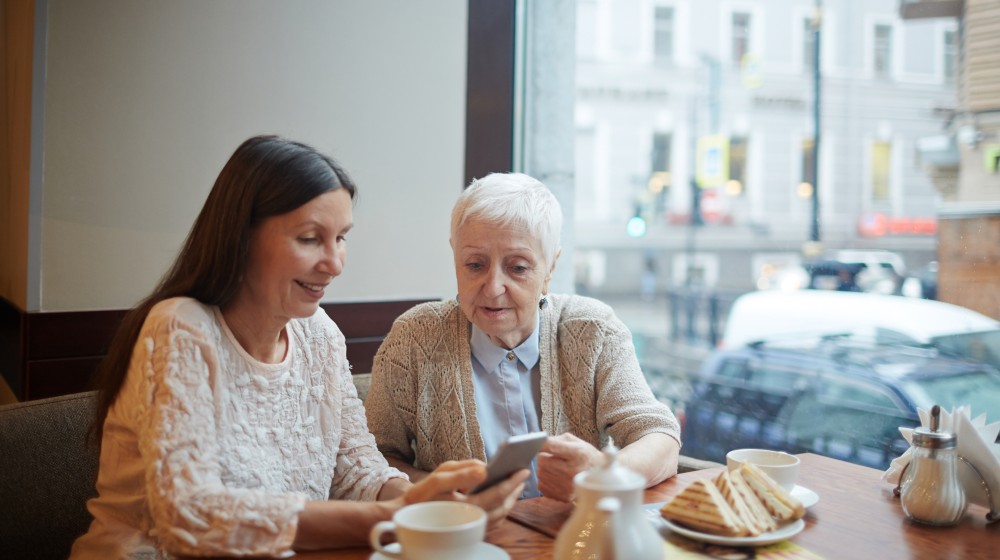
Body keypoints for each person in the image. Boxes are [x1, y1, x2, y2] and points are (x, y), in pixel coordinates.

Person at [70, 136, 526, 559]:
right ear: (241, 236)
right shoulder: (181, 328)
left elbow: (353, 468)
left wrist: (424, 501)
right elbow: (191, 515)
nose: (334, 263)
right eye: (310, 238)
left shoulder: (319, 333)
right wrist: (391, 518)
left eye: (341, 237)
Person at [365, 172, 681, 502]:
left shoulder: (594, 330)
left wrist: (603, 474)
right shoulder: (414, 338)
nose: (493, 287)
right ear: (455, 256)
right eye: (475, 264)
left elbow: (659, 437)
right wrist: (432, 493)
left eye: (517, 268)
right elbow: (372, 462)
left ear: (550, 269)